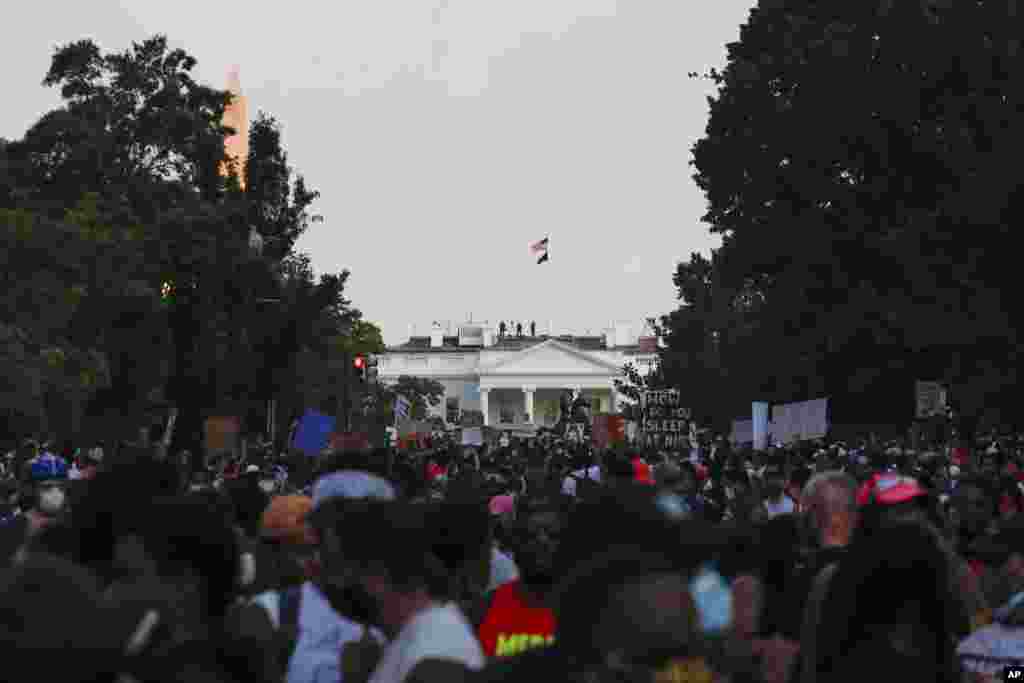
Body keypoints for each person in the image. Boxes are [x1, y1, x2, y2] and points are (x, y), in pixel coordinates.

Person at [321, 500, 485, 683]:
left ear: (377, 573)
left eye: (337, 568)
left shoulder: (436, 655)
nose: (333, 582)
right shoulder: (411, 637)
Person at [474, 495, 569, 657]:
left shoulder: (585, 613)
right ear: (516, 542)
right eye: (531, 535)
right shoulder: (484, 611)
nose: (542, 540)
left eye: (552, 534)